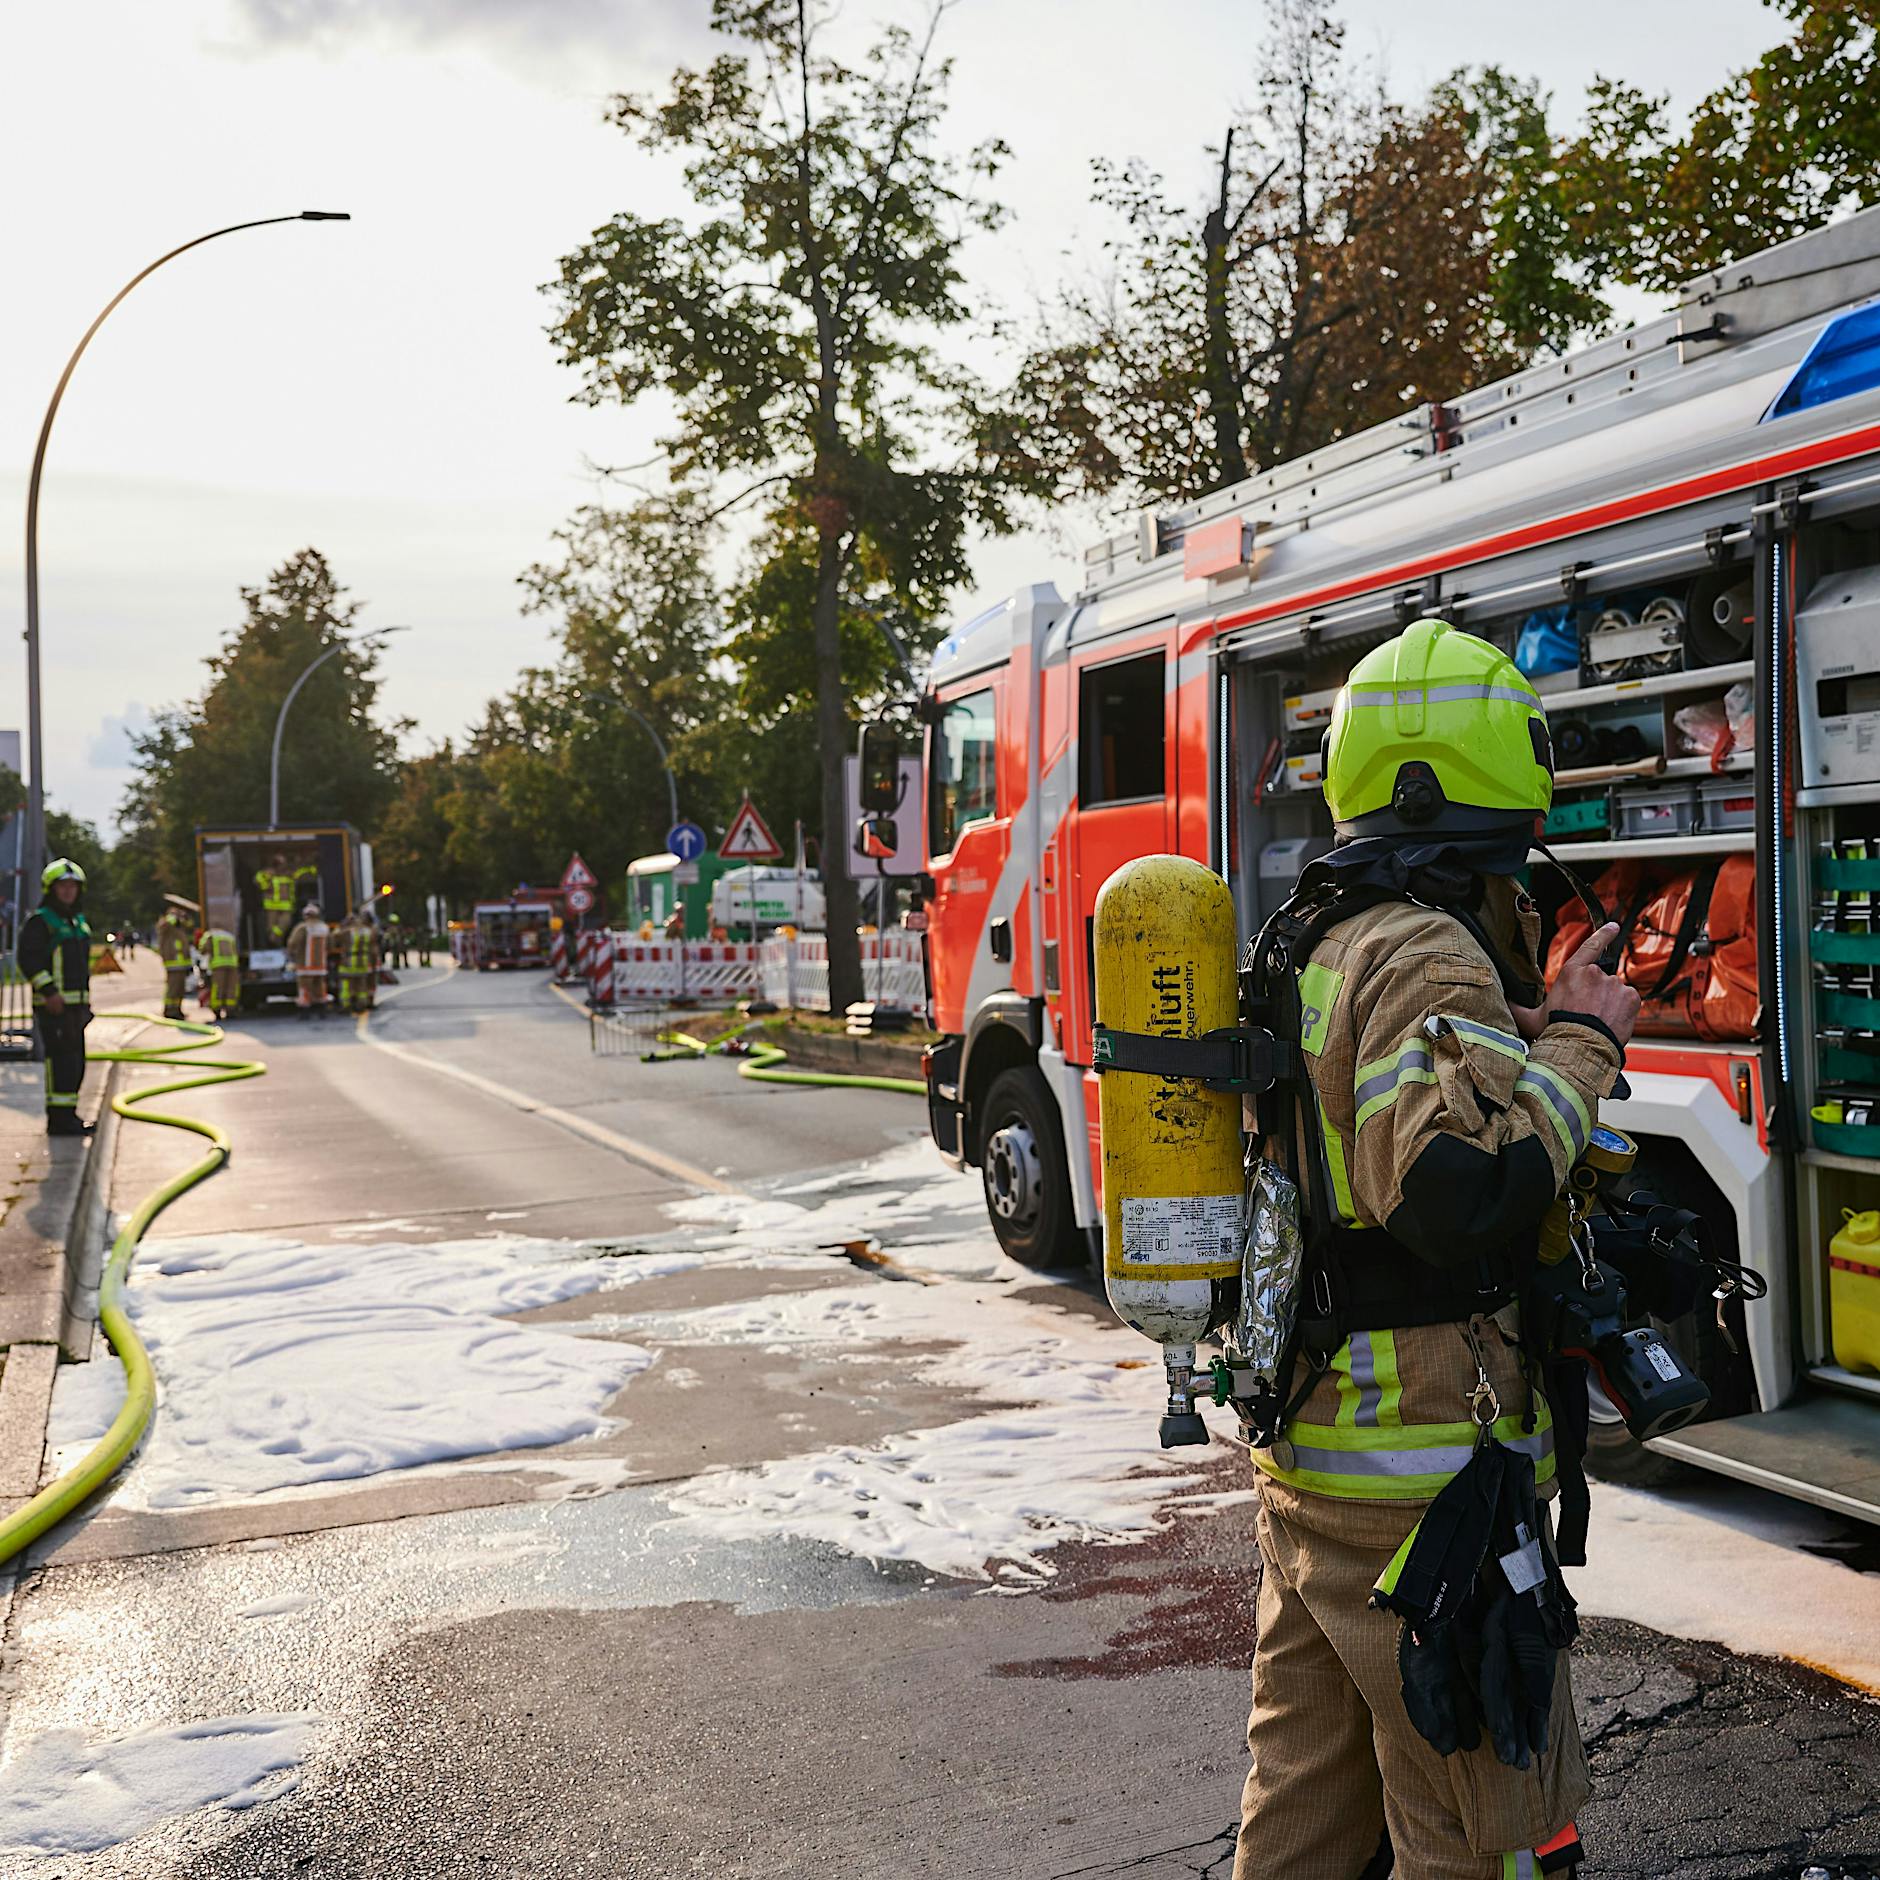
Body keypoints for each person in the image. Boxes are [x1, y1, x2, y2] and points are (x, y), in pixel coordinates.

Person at [1235, 621, 1638, 1880]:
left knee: (1303, 1814)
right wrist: (1582, 1040)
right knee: (1479, 1835)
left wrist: (1513, 1034)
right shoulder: (1424, 948)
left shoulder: (1325, 931)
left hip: (1317, 1453)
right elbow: (1450, 1196)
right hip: (1421, 1488)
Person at [18, 859, 94, 1136]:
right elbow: (29, 960)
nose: (68, 891)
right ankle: (59, 1122)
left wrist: (85, 1004)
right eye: (63, 886)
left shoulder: (76, 922)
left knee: (76, 1064)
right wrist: (49, 992)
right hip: (54, 1007)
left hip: (76, 1007)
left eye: (73, 886)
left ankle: (70, 1116)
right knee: (60, 1064)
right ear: (51, 889)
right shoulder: (41, 922)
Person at [286, 901, 332, 1019]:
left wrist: (291, 954)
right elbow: (330, 944)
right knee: (320, 988)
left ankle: (305, 1012)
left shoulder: (303, 928)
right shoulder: (324, 928)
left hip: (305, 966)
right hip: (320, 965)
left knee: (304, 989)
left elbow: (292, 943)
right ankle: (322, 1011)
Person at [154, 902, 193, 1020]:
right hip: (173, 964)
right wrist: (175, 916)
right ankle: (169, 1010)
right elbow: (165, 923)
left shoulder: (179, 930)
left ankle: (177, 1009)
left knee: (180, 990)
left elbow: (189, 924)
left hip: (182, 965)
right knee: (173, 989)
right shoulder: (166, 926)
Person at [337, 911, 379, 1013]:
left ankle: (347, 1005)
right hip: (363, 962)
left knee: (347, 984)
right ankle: (362, 1004)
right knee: (361, 985)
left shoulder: (348, 932)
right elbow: (373, 947)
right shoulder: (368, 932)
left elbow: (335, 937)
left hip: (349, 962)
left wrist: (344, 924)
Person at [199, 922, 241, 1020]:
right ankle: (230, 1010)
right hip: (232, 965)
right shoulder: (229, 936)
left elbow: (203, 949)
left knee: (218, 988)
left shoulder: (210, 935)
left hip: (218, 965)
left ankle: (217, 1010)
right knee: (231, 988)